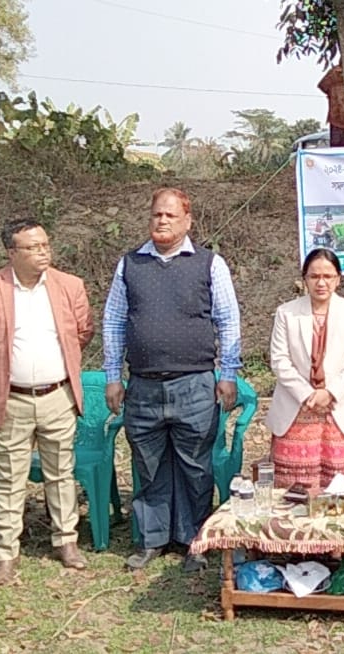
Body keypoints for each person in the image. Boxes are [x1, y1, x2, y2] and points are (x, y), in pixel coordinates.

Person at [103, 187, 242, 573]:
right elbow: (114, 321)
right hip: (143, 386)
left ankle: (193, 540)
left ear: (187, 221)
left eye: (170, 215)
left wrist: (227, 374)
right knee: (149, 465)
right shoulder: (129, 264)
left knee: (195, 466)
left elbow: (227, 320)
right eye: (156, 215)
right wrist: (113, 376)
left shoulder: (209, 264)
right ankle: (152, 539)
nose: (161, 221)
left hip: (195, 383)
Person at [0, 219, 94, 586]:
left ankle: (66, 541)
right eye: (33, 247)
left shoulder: (69, 286)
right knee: (9, 477)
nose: (43, 252)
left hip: (57, 395)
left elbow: (83, 332)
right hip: (13, 398)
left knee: (61, 473)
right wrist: (4, 361)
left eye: (45, 245)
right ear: (11, 253)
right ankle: (6, 553)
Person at [266, 248, 344, 488]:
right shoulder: (286, 313)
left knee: (339, 489)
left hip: (337, 407)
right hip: (296, 408)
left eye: (328, 276)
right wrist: (308, 394)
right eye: (314, 277)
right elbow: (279, 360)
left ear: (338, 279)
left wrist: (328, 393)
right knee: (294, 492)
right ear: (304, 279)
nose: (321, 283)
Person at [318, 64, 344, 147]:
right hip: (336, 115)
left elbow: (321, 85)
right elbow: (322, 85)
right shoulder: (334, 73)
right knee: (338, 143)